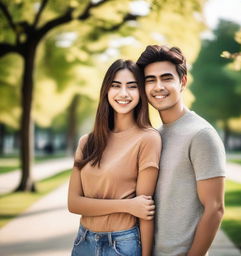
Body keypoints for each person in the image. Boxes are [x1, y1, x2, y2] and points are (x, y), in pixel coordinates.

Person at [136, 45, 226, 256]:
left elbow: (215, 209)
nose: (158, 87)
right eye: (150, 80)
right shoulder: (156, 135)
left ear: (182, 82)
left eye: (167, 78)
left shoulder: (201, 134)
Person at [68, 59, 161, 256]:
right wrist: (127, 205)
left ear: (141, 93)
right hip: (83, 241)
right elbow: (74, 203)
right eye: (116, 86)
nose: (123, 93)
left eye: (132, 86)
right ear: (106, 91)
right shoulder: (87, 142)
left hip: (122, 243)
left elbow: (145, 212)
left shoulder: (148, 139)